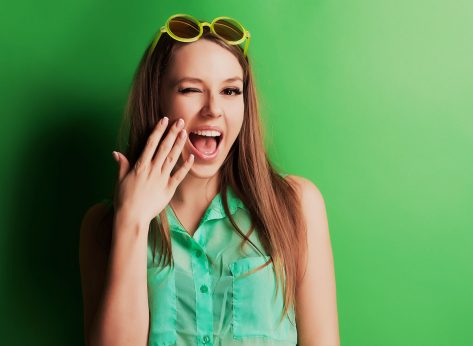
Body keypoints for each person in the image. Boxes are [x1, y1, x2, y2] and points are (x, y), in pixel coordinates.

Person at [79, 13, 340, 346]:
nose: (213, 109)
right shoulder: (102, 226)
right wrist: (132, 220)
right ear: (157, 98)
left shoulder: (296, 205)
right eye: (190, 89)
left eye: (230, 90)